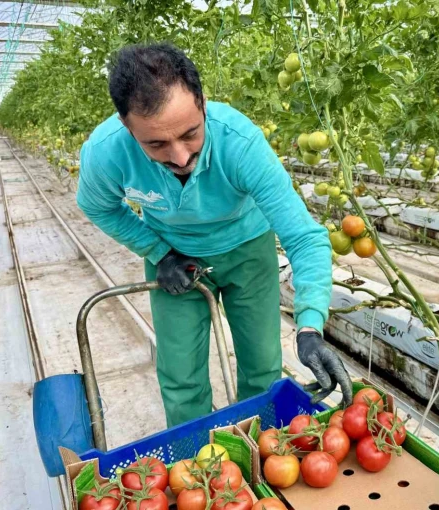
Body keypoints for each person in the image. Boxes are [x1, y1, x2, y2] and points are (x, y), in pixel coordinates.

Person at [76, 42, 352, 427]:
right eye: (156, 143)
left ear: (203, 103)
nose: (179, 157)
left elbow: (304, 236)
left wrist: (309, 326)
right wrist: (158, 251)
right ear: (127, 125)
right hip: (175, 258)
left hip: (247, 250)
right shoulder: (107, 154)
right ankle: (197, 466)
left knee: (261, 369)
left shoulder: (239, 144)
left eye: (190, 133)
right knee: (181, 377)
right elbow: (97, 206)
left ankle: (263, 453)